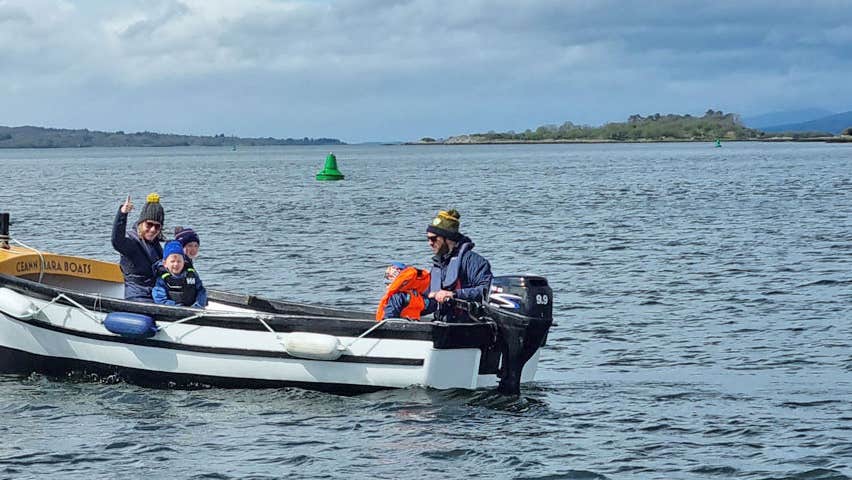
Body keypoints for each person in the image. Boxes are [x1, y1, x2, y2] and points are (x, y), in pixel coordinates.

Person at [424, 209, 493, 322]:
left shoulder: (473, 261)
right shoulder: (438, 265)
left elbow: (486, 290)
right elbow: (429, 298)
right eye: (428, 239)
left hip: (468, 325)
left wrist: (454, 294)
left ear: (448, 238)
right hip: (443, 324)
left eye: (433, 239)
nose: (430, 243)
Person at [111, 193, 165, 302]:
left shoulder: (156, 245)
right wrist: (123, 214)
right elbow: (117, 240)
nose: (153, 229)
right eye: (149, 224)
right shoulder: (131, 244)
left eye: (157, 226)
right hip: (137, 295)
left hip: (156, 293)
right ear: (141, 223)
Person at [152, 240, 208, 308]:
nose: (176, 264)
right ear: (165, 263)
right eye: (172, 261)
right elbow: (159, 299)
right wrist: (178, 307)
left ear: (184, 262)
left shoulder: (192, 274)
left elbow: (201, 291)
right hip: (173, 311)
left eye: (179, 261)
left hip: (195, 309)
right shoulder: (162, 279)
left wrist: (198, 305)